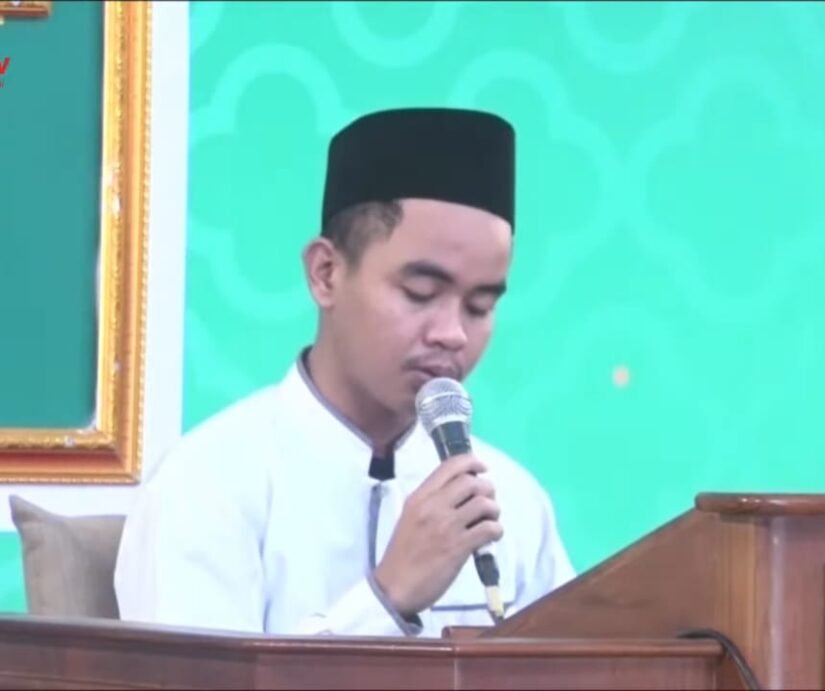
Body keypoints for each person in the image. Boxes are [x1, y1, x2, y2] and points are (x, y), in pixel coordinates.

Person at [114, 107, 576, 637]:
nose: (453, 333)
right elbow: (198, 676)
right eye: (420, 293)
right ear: (326, 274)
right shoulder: (207, 484)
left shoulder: (512, 501)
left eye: (480, 305)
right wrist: (388, 598)